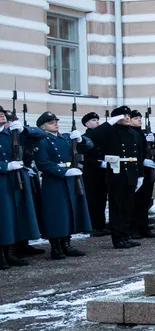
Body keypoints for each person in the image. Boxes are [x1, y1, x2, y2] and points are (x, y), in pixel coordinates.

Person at [31, 111, 91, 259]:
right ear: (42, 126)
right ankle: (56, 247)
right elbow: (43, 163)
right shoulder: (42, 141)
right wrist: (63, 171)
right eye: (51, 123)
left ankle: (66, 244)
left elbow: (89, 146)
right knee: (56, 214)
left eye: (56, 121)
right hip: (54, 180)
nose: (56, 124)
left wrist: (82, 139)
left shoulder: (65, 138)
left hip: (70, 179)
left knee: (69, 212)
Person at [91, 106, 146, 250]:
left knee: (128, 207)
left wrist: (140, 174)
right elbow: (93, 136)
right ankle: (118, 238)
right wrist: (110, 122)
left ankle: (126, 235)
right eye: (124, 116)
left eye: (129, 115)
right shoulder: (109, 132)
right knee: (117, 207)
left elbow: (139, 155)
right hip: (117, 173)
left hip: (132, 172)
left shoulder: (134, 133)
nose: (127, 118)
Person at [1, 107, 40, 269]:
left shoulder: (12, 134)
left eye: (2, 113)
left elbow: (41, 135)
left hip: (16, 179)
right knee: (3, 218)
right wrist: (5, 166)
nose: (2, 115)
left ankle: (11, 253)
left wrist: (24, 128)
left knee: (14, 216)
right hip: (3, 179)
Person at [128, 109, 155, 240]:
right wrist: (142, 161)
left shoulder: (143, 134)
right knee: (135, 202)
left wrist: (153, 142)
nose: (139, 119)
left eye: (140, 118)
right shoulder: (130, 134)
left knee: (145, 201)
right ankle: (134, 229)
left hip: (146, 171)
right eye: (136, 118)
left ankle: (144, 227)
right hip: (136, 170)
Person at [80, 111, 109, 237]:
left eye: (97, 120)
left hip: (103, 172)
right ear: (86, 124)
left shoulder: (103, 137)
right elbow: (83, 157)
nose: (97, 122)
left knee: (102, 199)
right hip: (91, 173)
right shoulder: (83, 139)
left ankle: (101, 225)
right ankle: (93, 226)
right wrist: (97, 164)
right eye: (93, 120)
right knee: (92, 200)